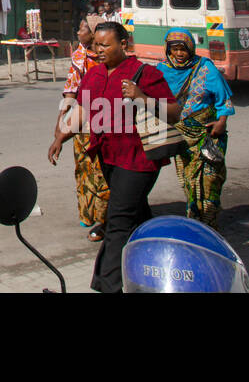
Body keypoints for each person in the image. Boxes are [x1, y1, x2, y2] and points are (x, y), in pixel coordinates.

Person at [76, 21, 177, 293]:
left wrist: (142, 97)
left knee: (118, 220)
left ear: (123, 45)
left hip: (139, 160)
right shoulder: (94, 75)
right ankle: (156, 265)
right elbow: (82, 109)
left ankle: (108, 285)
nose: (99, 50)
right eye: (96, 44)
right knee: (137, 216)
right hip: (108, 158)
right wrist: (59, 136)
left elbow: (175, 112)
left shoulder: (144, 73)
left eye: (105, 45)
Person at [156, 28, 235, 227]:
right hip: (181, 137)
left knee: (209, 182)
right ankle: (197, 222)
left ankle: (210, 224)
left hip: (208, 135)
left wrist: (221, 122)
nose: (179, 53)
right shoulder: (162, 70)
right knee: (189, 182)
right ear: (168, 50)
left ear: (191, 48)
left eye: (183, 49)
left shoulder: (206, 68)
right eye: (175, 49)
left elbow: (223, 100)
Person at [46, 19, 109, 241]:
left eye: (83, 28)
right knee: (83, 169)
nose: (78, 31)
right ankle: (88, 213)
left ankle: (104, 220)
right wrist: (61, 120)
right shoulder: (80, 57)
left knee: (101, 172)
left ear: (94, 34)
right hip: (82, 122)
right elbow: (71, 91)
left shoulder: (109, 58)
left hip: (107, 121)